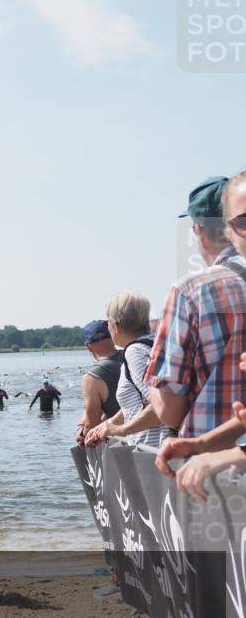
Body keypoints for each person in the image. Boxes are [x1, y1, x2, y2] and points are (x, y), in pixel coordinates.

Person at [147, 175, 246, 440]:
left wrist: (153, 385)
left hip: (213, 457)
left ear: (200, 232)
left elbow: (170, 412)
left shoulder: (191, 291)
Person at [85, 293, 167, 449]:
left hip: (154, 450)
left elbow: (161, 405)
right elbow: (138, 403)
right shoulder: (155, 343)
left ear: (117, 326)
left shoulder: (135, 352)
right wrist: (109, 423)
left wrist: (120, 430)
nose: (107, 327)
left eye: (107, 322)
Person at [74, 320, 123, 446]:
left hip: (123, 444)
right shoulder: (131, 355)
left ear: (88, 347)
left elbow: (92, 425)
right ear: (112, 336)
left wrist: (81, 433)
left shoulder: (92, 377)